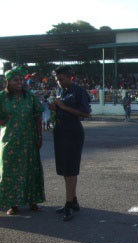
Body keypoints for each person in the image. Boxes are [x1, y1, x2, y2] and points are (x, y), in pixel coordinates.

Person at [0, 67, 45, 215]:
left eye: (21, 80)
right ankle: (12, 204)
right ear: (8, 82)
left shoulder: (30, 97)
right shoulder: (2, 97)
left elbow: (38, 116)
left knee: (31, 170)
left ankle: (33, 201)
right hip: (9, 140)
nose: (19, 82)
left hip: (29, 140)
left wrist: (39, 136)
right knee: (8, 171)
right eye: (15, 80)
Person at [49, 66, 91, 222]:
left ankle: (68, 203)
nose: (59, 82)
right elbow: (59, 108)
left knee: (70, 168)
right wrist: (54, 107)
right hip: (60, 130)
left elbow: (86, 113)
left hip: (72, 131)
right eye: (57, 79)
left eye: (61, 79)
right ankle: (73, 200)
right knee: (64, 168)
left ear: (69, 77)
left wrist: (62, 106)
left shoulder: (78, 91)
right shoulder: (62, 91)